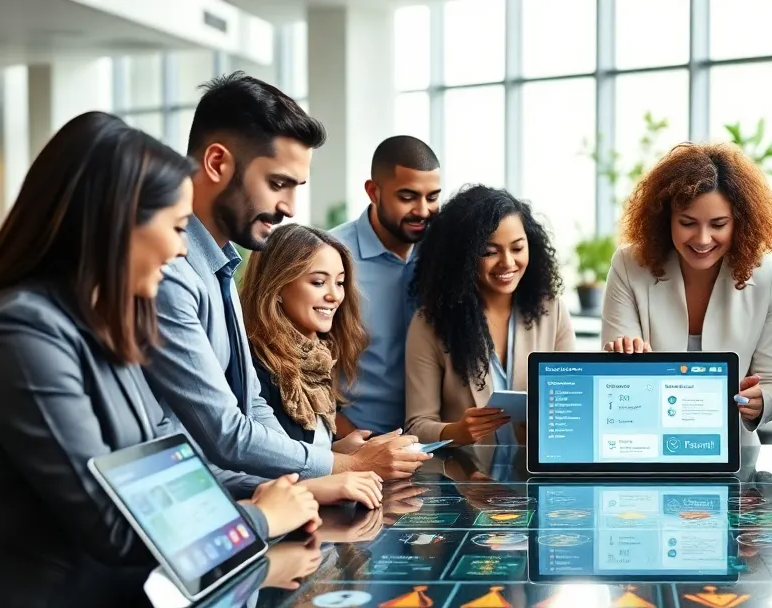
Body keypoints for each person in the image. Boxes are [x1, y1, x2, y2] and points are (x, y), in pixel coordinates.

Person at [0, 113, 321, 608]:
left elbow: (178, 466)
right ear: (114, 225)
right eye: (171, 227)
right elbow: (116, 525)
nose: (177, 251)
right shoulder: (18, 333)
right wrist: (257, 520)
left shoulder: (108, 328)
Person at [141, 72, 427, 487]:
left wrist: (324, 461)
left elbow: (251, 406)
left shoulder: (220, 268)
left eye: (296, 187)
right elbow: (226, 434)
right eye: (277, 183)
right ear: (217, 163)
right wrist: (344, 467)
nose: (289, 207)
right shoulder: (172, 274)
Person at [601, 142, 772, 443]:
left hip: (733, 451)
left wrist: (759, 401)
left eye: (718, 224)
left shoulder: (768, 275)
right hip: (645, 445)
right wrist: (623, 357)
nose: (703, 239)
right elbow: (618, 379)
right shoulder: (628, 265)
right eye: (687, 223)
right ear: (666, 220)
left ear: (739, 223)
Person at [405, 185, 575, 447]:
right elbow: (417, 426)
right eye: (489, 252)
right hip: (466, 480)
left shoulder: (552, 310)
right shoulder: (430, 323)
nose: (507, 263)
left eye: (517, 248)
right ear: (463, 257)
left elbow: (572, 401)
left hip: (535, 475)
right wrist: (456, 432)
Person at [239, 224, 382, 509]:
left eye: (339, 282)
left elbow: (300, 454)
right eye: (318, 282)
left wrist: (337, 451)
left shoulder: (317, 356)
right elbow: (264, 466)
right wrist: (347, 464)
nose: (334, 296)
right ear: (277, 287)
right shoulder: (253, 366)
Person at [331, 136, 442, 437]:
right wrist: (356, 444)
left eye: (432, 197)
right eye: (408, 197)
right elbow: (300, 369)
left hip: (440, 446)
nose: (423, 210)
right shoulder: (330, 257)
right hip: (357, 447)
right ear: (373, 192)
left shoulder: (445, 255)